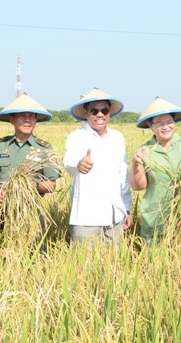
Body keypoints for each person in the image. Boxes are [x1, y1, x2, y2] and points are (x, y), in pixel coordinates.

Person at [64, 87, 131, 245]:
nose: (100, 114)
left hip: (115, 215)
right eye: (94, 111)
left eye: (104, 110)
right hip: (87, 215)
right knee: (84, 266)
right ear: (86, 112)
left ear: (109, 113)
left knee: (115, 265)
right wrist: (79, 164)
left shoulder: (118, 137)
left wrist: (127, 208)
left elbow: (123, 175)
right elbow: (68, 162)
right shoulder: (76, 137)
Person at [130, 97, 181, 244]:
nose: (165, 127)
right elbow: (138, 186)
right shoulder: (144, 150)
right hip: (156, 219)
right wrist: (136, 165)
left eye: (169, 122)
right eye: (159, 123)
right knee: (155, 263)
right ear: (150, 125)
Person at [0, 93, 60, 213]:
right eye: (22, 116)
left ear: (35, 120)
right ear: (12, 119)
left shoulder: (44, 148)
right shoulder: (0, 146)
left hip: (32, 212)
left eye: (31, 116)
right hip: (3, 210)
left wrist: (34, 185)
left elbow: (52, 185)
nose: (27, 120)